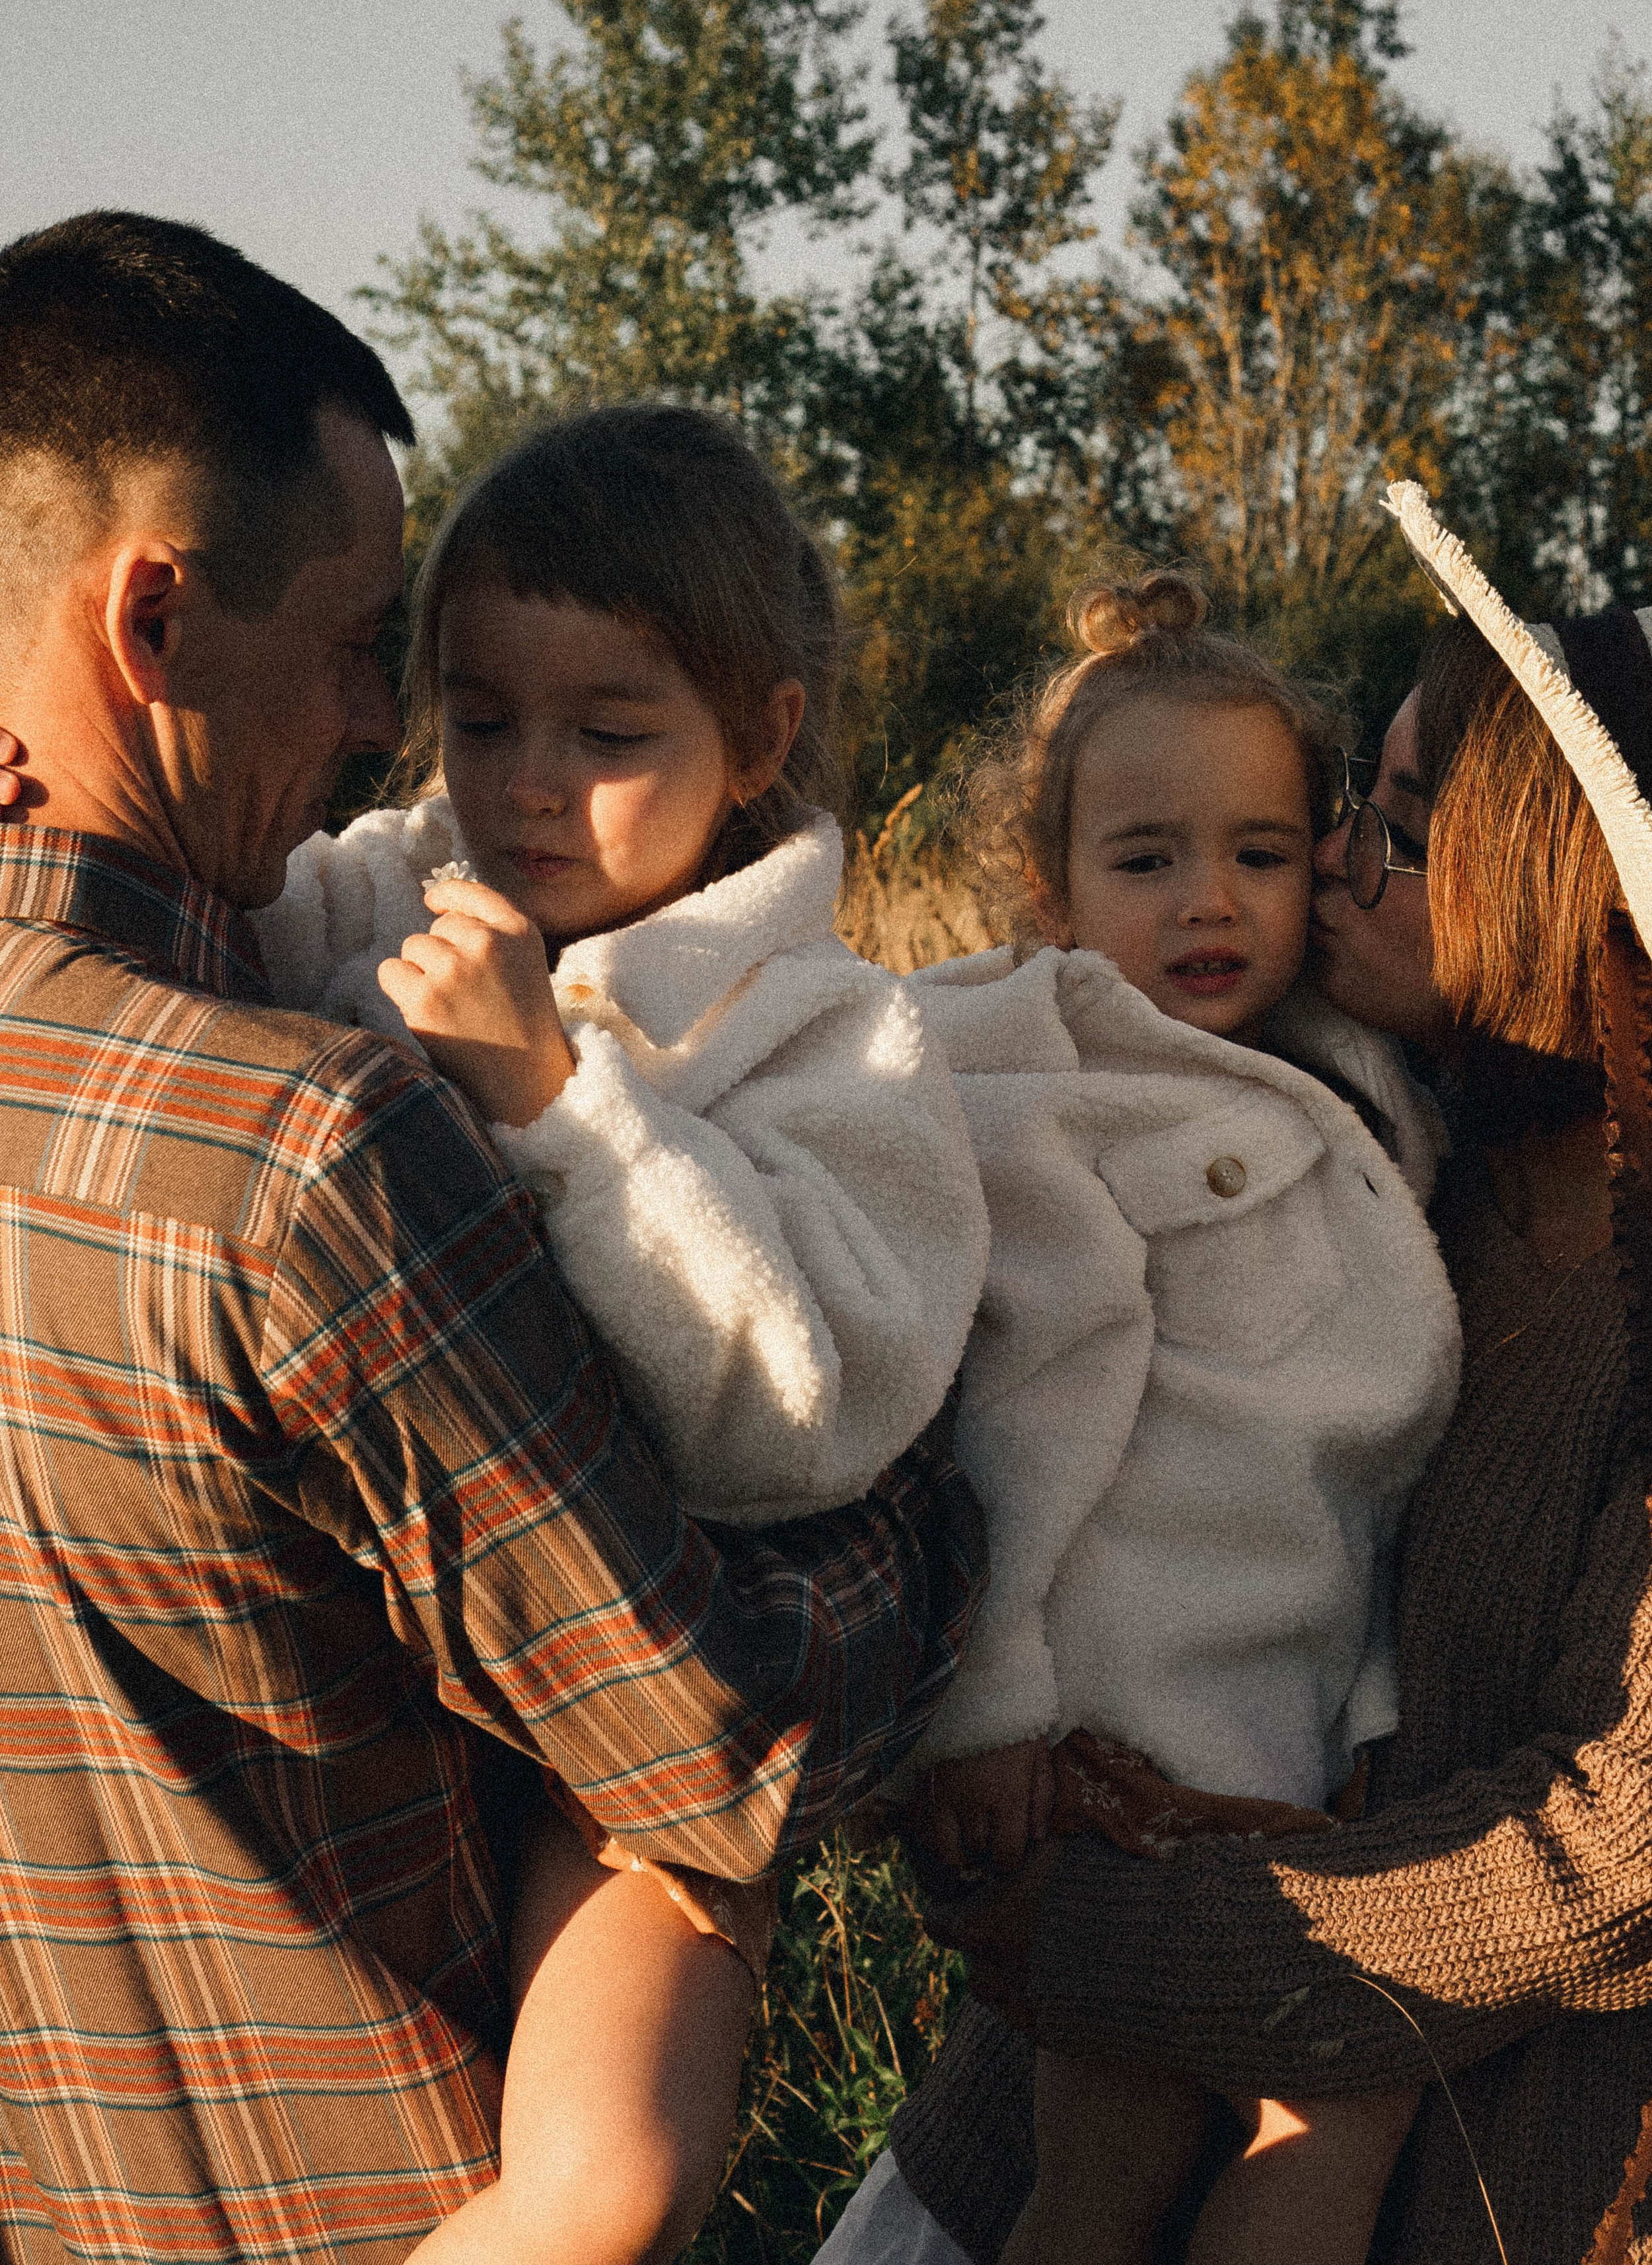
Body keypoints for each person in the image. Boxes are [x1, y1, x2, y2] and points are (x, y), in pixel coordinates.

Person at [0, 210, 985, 2265]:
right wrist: (939, 1530)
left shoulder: (261, 1010)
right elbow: (707, 1728)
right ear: (154, 619)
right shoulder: (294, 1153)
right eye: (392, 662)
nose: (393, 732)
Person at [822, 491, 1652, 2265]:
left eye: (1394, 826)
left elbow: (1619, 1841)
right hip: (1060, 2100)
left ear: (1562, 884)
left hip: (1469, 2166)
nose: (1331, 870)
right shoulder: (1369, 1141)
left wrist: (1125, 1937)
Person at [246, 404, 991, 2263]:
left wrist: (563, 1107)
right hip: (368, 1648)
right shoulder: (388, 887)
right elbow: (201, 922)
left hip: (633, 1723)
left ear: (761, 736)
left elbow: (797, 1416)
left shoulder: (834, 1034)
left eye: (610, 734)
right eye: (484, 719)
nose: (528, 787)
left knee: (611, 2183)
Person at [880, 571, 1458, 2263]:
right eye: (1145, 862)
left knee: (1300, 2119)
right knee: (1128, 2158)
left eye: (1262, 856)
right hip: (1119, 1744)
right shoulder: (1048, 1097)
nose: (1210, 900)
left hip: (1279, 1726)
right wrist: (982, 1709)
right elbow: (996, 1416)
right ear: (1048, 897)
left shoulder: (1329, 1065)